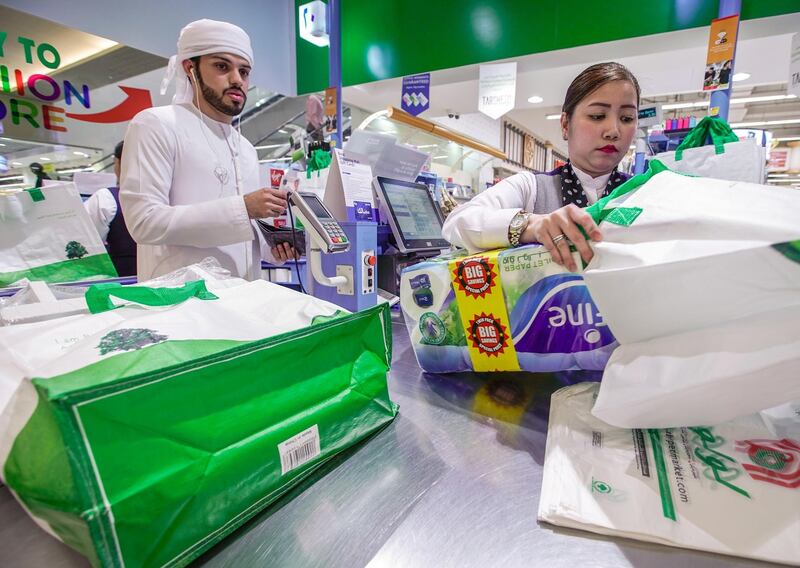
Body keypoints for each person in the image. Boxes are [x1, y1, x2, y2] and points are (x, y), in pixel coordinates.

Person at [120, 19, 297, 281]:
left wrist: (273, 247)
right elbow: (144, 222)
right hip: (180, 305)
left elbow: (241, 233)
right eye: (222, 66)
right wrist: (243, 208)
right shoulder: (156, 124)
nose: (237, 80)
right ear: (190, 68)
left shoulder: (246, 148)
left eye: (244, 72)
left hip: (244, 302)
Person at [442, 61, 639, 272]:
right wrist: (531, 225)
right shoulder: (531, 187)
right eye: (597, 116)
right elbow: (458, 222)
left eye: (627, 118)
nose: (613, 131)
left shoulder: (644, 192)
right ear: (565, 125)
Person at [83, 141, 138, 276]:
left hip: (124, 286)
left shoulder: (106, 199)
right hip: (177, 286)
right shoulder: (180, 198)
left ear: (117, 164)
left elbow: (85, 249)